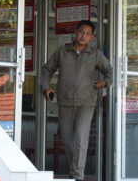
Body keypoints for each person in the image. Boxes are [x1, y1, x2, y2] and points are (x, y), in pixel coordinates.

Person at [41, 20, 112, 181]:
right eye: (81, 32)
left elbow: (109, 70)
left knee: (80, 138)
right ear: (75, 31)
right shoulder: (62, 52)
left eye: (87, 34)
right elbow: (47, 70)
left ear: (92, 37)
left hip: (86, 103)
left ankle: (77, 176)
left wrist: (105, 82)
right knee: (67, 140)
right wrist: (46, 87)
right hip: (65, 102)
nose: (83, 36)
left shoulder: (95, 54)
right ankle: (75, 170)